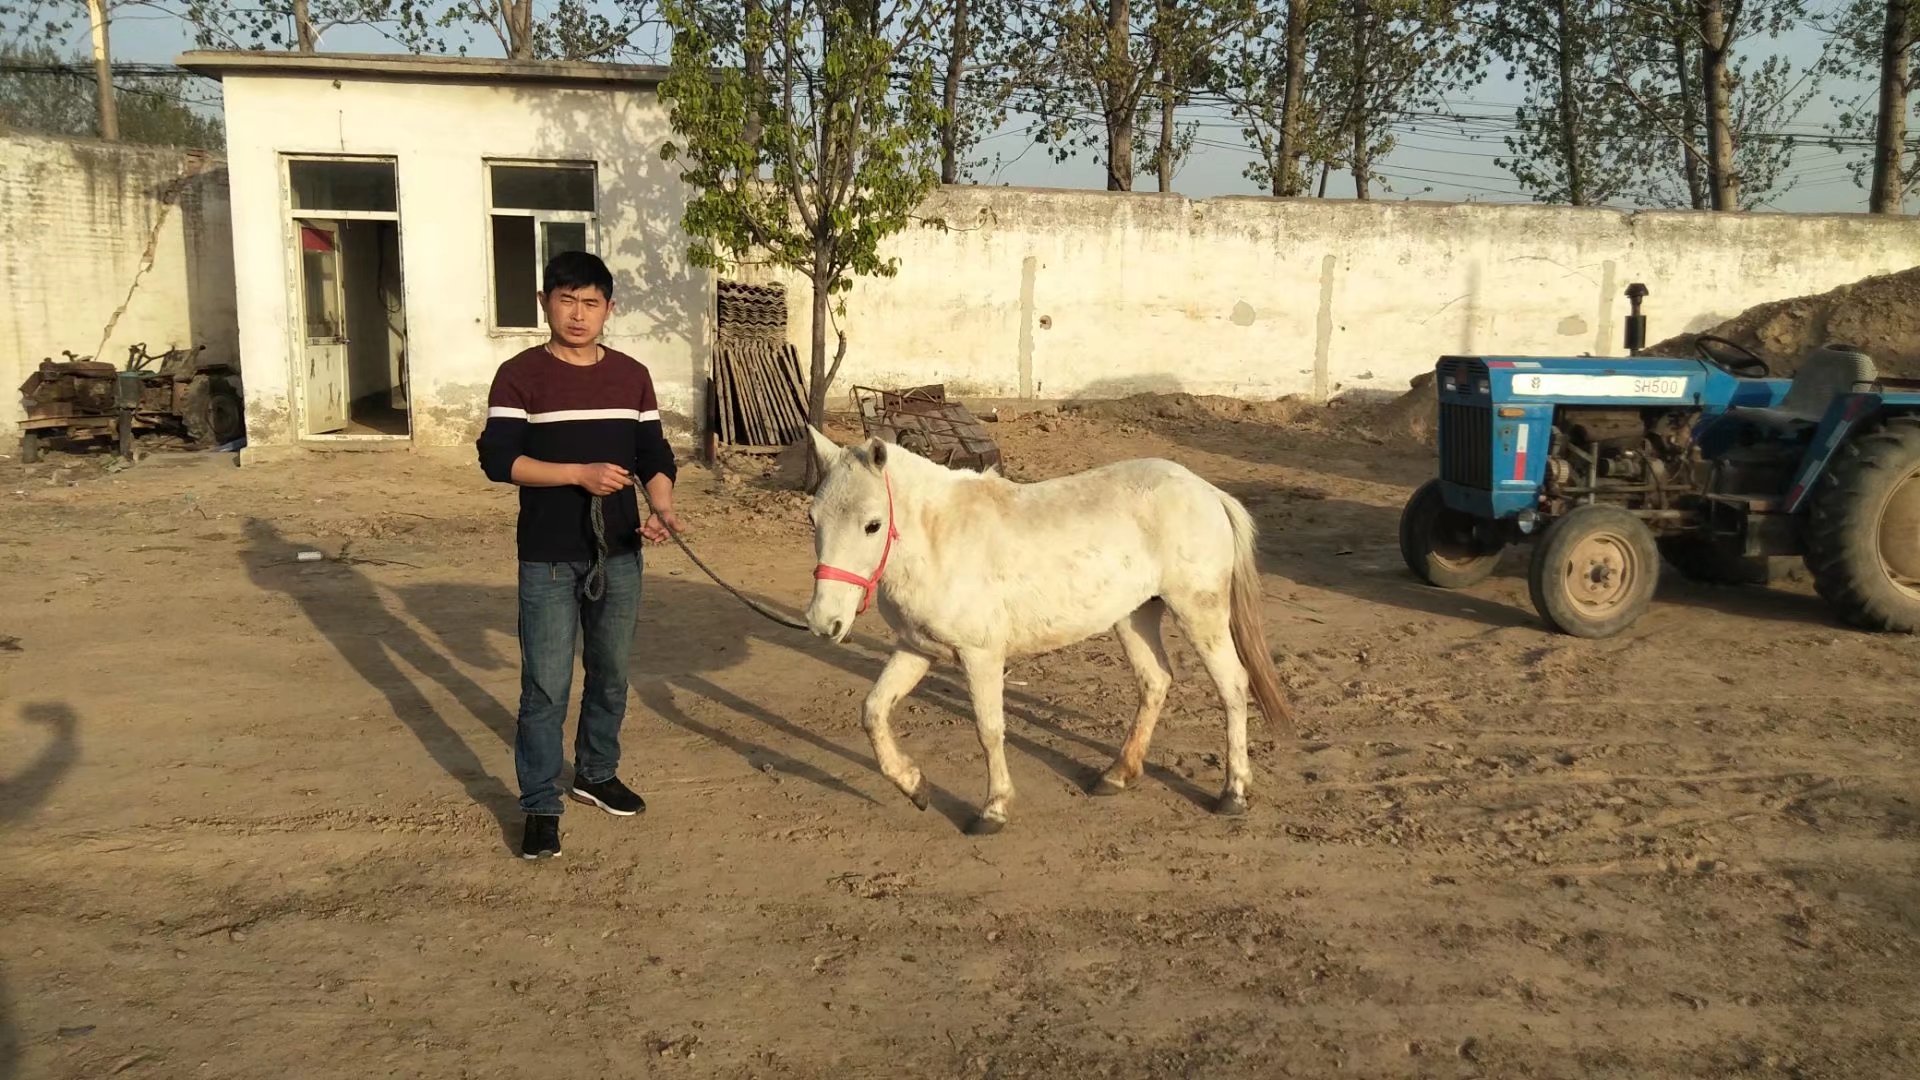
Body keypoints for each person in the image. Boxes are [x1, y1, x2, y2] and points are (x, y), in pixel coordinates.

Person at [476, 250, 682, 860]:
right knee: (545, 685)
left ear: (608, 310)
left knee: (611, 674)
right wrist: (577, 474)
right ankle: (540, 803)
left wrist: (662, 507)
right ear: (545, 303)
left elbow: (654, 456)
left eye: (591, 302)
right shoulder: (519, 376)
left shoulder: (632, 376)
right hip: (547, 554)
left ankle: (595, 772)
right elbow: (498, 461)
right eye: (566, 299)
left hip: (619, 554)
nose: (578, 313)